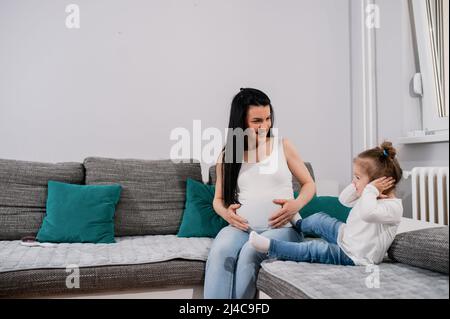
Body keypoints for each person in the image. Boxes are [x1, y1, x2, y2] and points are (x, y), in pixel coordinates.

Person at [203, 88, 316, 299]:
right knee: (219, 252)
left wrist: (297, 204)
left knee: (250, 252)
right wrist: (226, 214)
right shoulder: (228, 155)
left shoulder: (283, 146)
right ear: (241, 121)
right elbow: (218, 200)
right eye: (256, 121)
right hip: (242, 227)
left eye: (268, 118)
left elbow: (309, 184)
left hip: (283, 228)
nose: (264, 126)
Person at [249, 141, 403, 267]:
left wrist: (370, 189)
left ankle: (271, 247)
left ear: (377, 184)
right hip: (346, 236)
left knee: (313, 249)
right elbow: (344, 200)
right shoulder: (368, 195)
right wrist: (361, 187)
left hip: (355, 255)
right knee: (319, 219)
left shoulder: (393, 208)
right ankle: (300, 224)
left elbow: (367, 214)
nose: (353, 181)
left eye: (357, 177)